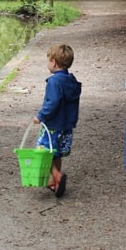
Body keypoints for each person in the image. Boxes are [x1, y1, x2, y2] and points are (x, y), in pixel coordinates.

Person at [33, 44, 82, 198]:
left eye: (48, 60)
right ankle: (55, 180)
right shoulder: (71, 80)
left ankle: (56, 176)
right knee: (56, 153)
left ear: (53, 62)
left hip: (53, 126)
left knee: (43, 152)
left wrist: (40, 116)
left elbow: (52, 102)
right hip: (66, 126)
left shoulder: (54, 82)